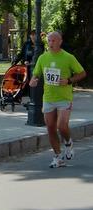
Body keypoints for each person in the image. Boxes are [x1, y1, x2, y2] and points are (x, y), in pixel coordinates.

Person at [29, 31, 86, 168]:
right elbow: (36, 74)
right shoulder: (43, 58)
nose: (51, 43)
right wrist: (33, 80)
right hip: (48, 98)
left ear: (60, 41)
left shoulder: (68, 57)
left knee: (61, 125)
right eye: (49, 41)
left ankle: (68, 142)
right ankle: (58, 157)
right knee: (50, 128)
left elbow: (82, 73)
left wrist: (68, 80)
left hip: (64, 98)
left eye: (54, 40)